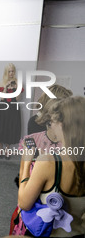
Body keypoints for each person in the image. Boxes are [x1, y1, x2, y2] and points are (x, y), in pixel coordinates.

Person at [18, 96, 85, 237]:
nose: (51, 126)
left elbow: (24, 203)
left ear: (63, 125)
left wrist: (26, 162)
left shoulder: (49, 162)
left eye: (53, 121)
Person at [0, 63, 23, 159]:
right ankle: (0, 149)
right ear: (6, 72)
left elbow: (18, 98)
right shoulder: (2, 82)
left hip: (13, 108)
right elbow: (1, 98)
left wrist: (16, 88)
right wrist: (6, 87)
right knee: (1, 127)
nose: (11, 73)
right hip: (3, 107)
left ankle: (7, 150)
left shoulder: (18, 82)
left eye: (13, 71)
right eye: (9, 71)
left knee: (11, 128)